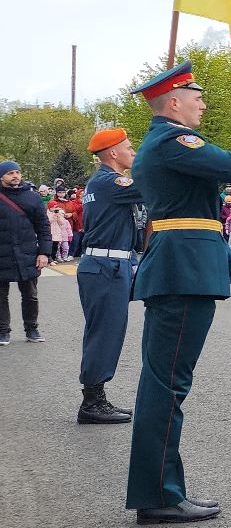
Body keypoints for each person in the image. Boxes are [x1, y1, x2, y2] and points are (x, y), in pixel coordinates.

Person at [120, 62, 231, 524]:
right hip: (182, 271)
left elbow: (195, 216)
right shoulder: (174, 142)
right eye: (197, 97)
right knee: (168, 385)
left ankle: (159, 490)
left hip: (184, 265)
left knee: (165, 382)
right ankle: (159, 494)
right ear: (174, 102)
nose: (203, 105)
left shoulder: (165, 146)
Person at [75, 128, 142, 424]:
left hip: (110, 264)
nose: (134, 152)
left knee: (107, 331)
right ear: (113, 153)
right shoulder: (109, 181)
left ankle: (95, 397)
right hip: (106, 265)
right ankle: (92, 402)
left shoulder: (103, 182)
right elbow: (151, 188)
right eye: (129, 148)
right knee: (104, 333)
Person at [0, 160, 51, 347]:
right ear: (1, 177)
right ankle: (2, 331)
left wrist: (44, 253)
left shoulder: (32, 197)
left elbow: (43, 227)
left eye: (17, 172)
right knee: (0, 297)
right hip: (2, 254)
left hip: (27, 253)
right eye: (10, 173)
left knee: (30, 295)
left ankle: (32, 329)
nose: (15, 176)